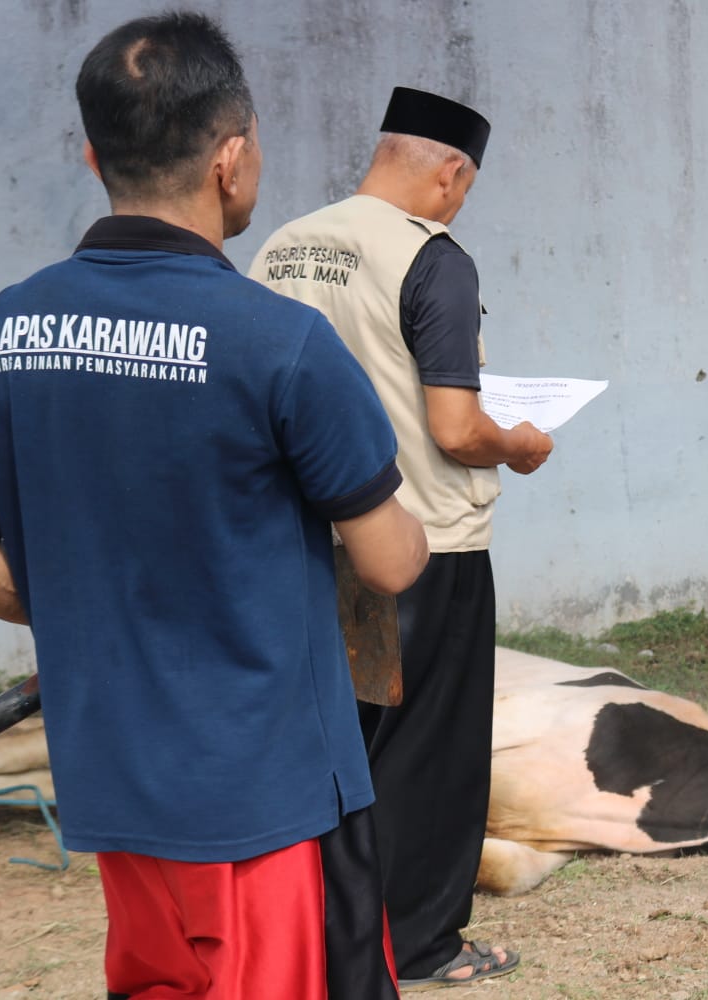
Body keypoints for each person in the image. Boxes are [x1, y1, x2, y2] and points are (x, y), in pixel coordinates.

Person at [0, 13, 428, 998]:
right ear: (230, 158)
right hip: (269, 797)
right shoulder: (280, 343)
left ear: (94, 155)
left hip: (110, 781)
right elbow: (390, 562)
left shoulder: (4, 330)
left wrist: (104, 600)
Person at [251, 87, 552, 986]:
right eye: (466, 189)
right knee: (428, 751)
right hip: (425, 544)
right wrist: (519, 445)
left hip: (310, 544)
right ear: (451, 173)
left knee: (338, 744)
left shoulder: (281, 245)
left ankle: (321, 931)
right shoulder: (433, 259)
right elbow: (456, 429)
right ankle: (420, 945)